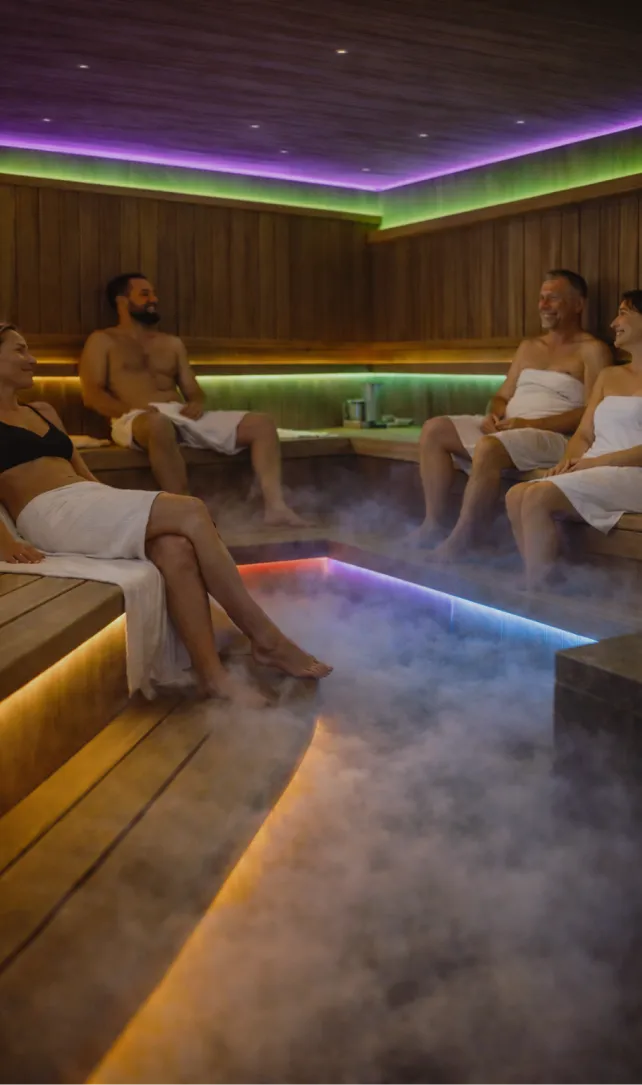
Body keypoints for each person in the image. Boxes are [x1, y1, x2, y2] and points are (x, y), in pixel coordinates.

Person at [0, 323, 332, 702]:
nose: (32, 359)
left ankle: (212, 675)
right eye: (20, 351)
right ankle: (266, 638)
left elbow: (82, 472)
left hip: (87, 501)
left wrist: (115, 502)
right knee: (191, 510)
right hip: (48, 514)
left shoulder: (42, 410)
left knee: (175, 548)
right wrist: (5, 541)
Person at [410, 270, 612, 561]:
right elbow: (502, 395)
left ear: (578, 305)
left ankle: (464, 539)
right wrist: (493, 413)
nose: (543, 305)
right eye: (541, 298)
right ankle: (433, 524)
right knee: (434, 428)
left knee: (489, 447)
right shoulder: (529, 347)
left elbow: (592, 413)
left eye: (552, 299)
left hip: (555, 438)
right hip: (508, 431)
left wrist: (528, 424)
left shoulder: (592, 351)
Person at [79, 273, 307, 526]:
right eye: (145, 294)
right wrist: (131, 410)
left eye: (154, 294)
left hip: (179, 415)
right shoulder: (102, 340)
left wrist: (196, 402)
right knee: (157, 424)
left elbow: (192, 389)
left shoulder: (171, 343)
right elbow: (92, 394)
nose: (154, 299)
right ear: (122, 301)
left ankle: (276, 507)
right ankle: (187, 511)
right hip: (134, 418)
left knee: (262, 424)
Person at [506, 290, 642, 589]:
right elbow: (584, 433)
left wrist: (594, 463)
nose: (613, 322)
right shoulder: (609, 376)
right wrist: (566, 463)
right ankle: (544, 580)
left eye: (623, 313)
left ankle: (537, 591)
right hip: (597, 468)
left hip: (634, 473)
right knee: (516, 494)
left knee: (539, 497)